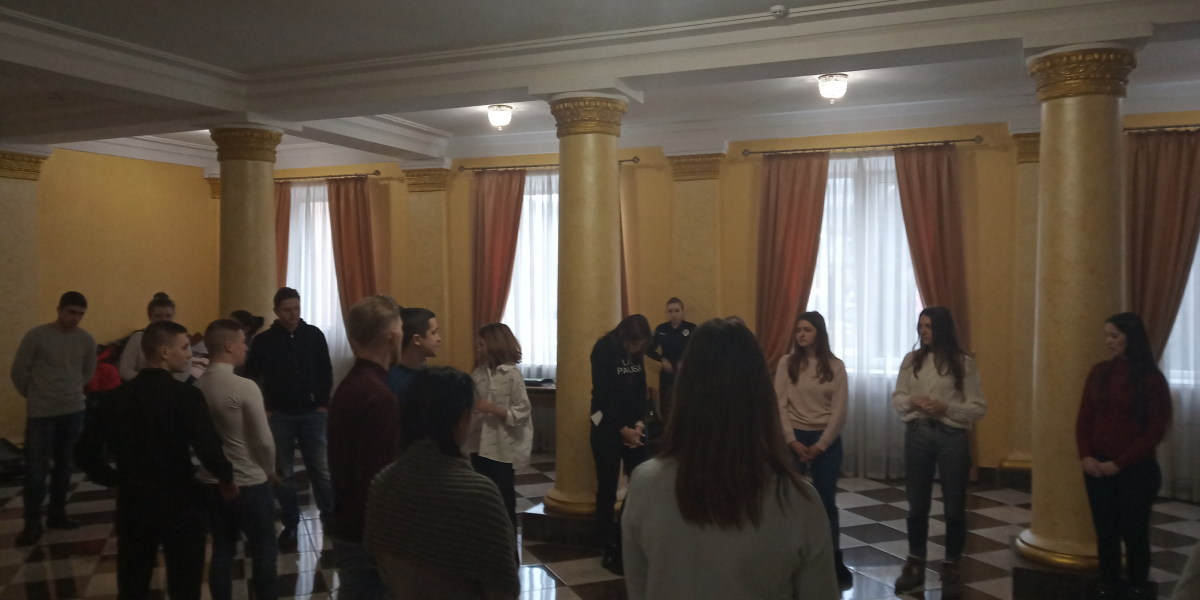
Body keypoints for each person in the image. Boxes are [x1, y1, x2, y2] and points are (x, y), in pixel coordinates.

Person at [622, 319, 839, 600]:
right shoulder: (799, 501)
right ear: (762, 397)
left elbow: (639, 589)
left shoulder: (644, 485)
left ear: (684, 393)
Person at [75, 320, 237, 600]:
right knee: (185, 585)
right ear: (164, 352)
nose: (189, 354)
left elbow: (83, 452)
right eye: (184, 347)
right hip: (180, 501)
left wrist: (114, 479)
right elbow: (208, 449)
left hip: (134, 502)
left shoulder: (116, 398)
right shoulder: (187, 395)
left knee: (133, 583)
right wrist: (226, 477)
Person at [366, 367, 519, 600]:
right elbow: (503, 588)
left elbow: (380, 565)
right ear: (463, 419)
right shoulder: (479, 495)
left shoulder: (382, 482)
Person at [891, 306, 987, 593]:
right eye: (921, 326)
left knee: (954, 507)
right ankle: (915, 563)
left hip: (951, 436)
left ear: (942, 329)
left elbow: (978, 408)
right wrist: (913, 401)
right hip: (918, 433)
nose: (923, 331)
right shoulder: (912, 360)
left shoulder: (963, 363)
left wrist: (946, 408)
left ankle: (951, 566)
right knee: (917, 506)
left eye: (929, 326)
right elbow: (897, 398)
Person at [1076, 313, 1171, 600]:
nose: (1108, 341)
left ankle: (1137, 586)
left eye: (1114, 336)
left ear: (1132, 338)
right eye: (1106, 335)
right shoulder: (1099, 372)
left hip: (1136, 470)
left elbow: (1155, 431)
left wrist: (1118, 464)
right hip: (1098, 467)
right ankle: (1108, 582)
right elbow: (1084, 418)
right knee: (1105, 531)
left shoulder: (1152, 379)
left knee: (1134, 531)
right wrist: (1086, 456)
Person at [194, 319, 279, 600]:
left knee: (222, 550)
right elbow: (263, 440)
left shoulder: (196, 386)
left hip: (211, 481)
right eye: (243, 342)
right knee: (264, 551)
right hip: (249, 480)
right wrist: (270, 470)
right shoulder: (243, 386)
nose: (246, 347)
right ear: (229, 346)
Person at [327, 295, 405, 600]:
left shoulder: (349, 385)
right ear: (393, 337)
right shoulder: (379, 397)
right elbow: (378, 481)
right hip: (367, 537)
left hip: (347, 523)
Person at [244, 287, 335, 547]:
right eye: (287, 310)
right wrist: (265, 406)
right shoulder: (264, 341)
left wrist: (323, 403)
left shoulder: (314, 335)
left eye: (296, 308)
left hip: (313, 413)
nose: (293, 314)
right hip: (280, 415)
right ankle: (291, 524)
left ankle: (330, 519)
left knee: (321, 470)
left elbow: (325, 370)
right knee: (283, 474)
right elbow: (252, 376)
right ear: (276, 311)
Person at [9, 291, 96, 545]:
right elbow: (19, 371)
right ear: (59, 310)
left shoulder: (85, 339)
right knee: (36, 470)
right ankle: (32, 523)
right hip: (41, 413)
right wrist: (35, 395)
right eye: (71, 312)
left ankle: (57, 514)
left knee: (65, 465)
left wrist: (71, 391)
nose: (75, 318)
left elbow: (88, 372)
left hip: (73, 410)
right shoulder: (37, 336)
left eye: (80, 314)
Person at [774, 311, 853, 588]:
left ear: (819, 332)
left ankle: (833, 559)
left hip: (824, 439)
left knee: (826, 502)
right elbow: (780, 404)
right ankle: (788, 557)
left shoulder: (836, 366)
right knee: (788, 500)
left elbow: (839, 412)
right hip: (794, 436)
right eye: (798, 330)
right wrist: (791, 440)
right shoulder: (787, 363)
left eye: (807, 329)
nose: (801, 334)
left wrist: (820, 445)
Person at [590, 314, 653, 568]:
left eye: (641, 345)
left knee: (640, 479)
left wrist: (638, 425)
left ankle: (628, 532)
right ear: (624, 336)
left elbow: (640, 389)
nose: (637, 349)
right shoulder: (603, 349)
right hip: (605, 423)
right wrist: (622, 429)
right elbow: (602, 395)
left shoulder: (638, 353)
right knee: (607, 484)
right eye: (634, 344)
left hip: (632, 426)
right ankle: (606, 538)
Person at [467, 323, 533, 529]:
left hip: (502, 448)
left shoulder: (512, 375)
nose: (478, 349)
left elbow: (522, 412)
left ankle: (508, 540)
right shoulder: (478, 374)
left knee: (504, 497)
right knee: (482, 497)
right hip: (477, 444)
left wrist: (491, 409)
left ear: (495, 345)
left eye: (482, 344)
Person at [119, 292, 191, 382]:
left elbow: (185, 372)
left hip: (172, 386)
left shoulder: (181, 338)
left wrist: (167, 384)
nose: (164, 320)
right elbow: (125, 370)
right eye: (158, 316)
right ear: (150, 316)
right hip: (141, 385)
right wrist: (149, 381)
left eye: (168, 316)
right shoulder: (138, 338)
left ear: (174, 315)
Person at [645, 298, 696, 423]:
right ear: (667, 313)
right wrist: (662, 359)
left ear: (682, 311)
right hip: (667, 374)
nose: (674, 314)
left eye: (677, 310)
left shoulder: (691, 328)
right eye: (670, 311)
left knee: (687, 406)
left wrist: (686, 362)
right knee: (666, 407)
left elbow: (698, 349)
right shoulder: (661, 329)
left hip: (685, 374)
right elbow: (648, 349)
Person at [385, 307, 439, 411]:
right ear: (417, 339)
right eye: (433, 333)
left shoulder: (430, 375)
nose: (439, 338)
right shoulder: (393, 382)